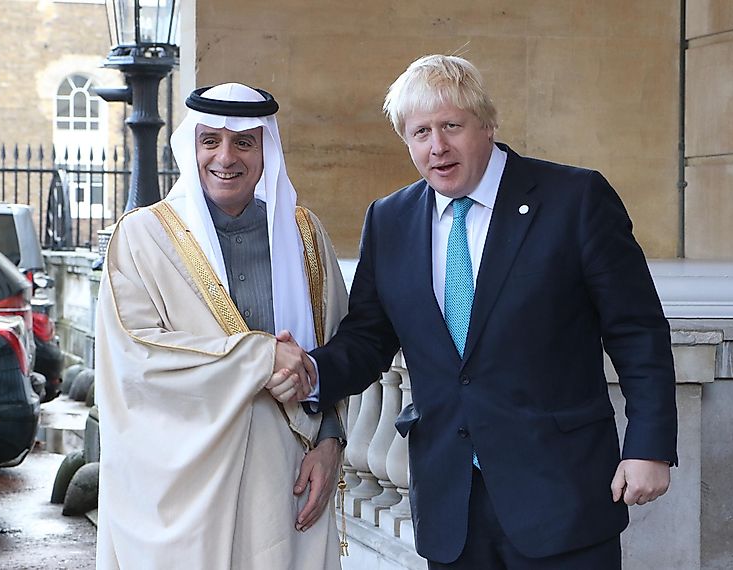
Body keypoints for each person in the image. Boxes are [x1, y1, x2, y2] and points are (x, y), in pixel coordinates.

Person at [305, 55, 678, 568]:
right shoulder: (389, 220)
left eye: (451, 126)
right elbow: (369, 337)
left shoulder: (575, 199)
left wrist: (649, 446)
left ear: (486, 123)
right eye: (420, 133)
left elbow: (637, 331)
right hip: (451, 505)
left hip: (561, 496)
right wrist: (311, 370)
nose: (437, 147)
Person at [94, 83, 347, 569]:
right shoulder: (143, 237)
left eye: (244, 142)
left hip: (287, 482)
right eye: (210, 140)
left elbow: (338, 350)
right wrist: (260, 357)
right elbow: (138, 362)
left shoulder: (305, 235)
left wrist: (331, 440)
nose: (225, 157)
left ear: (265, 149)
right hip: (185, 487)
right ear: (192, 147)